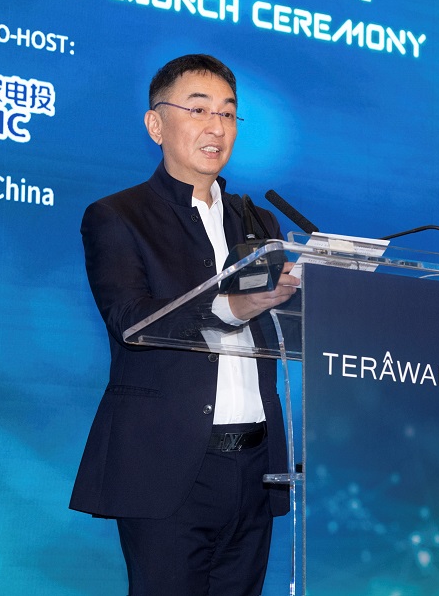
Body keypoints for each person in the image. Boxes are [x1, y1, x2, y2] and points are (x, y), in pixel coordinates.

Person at [70, 54, 299, 595]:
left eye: (228, 113)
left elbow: (280, 323)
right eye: (199, 110)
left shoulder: (257, 220)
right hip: (167, 465)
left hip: (255, 466)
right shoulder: (118, 216)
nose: (216, 127)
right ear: (156, 125)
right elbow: (130, 321)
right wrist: (232, 308)